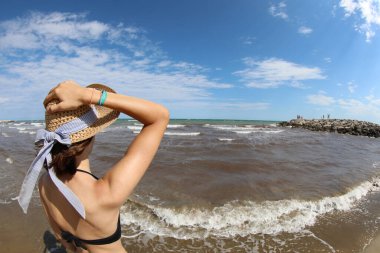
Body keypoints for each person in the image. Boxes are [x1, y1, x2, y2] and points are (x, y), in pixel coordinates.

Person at [17, 80, 170, 253]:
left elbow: (62, 238)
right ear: (91, 135)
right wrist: (89, 96)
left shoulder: (45, 182)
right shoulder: (106, 193)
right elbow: (159, 116)